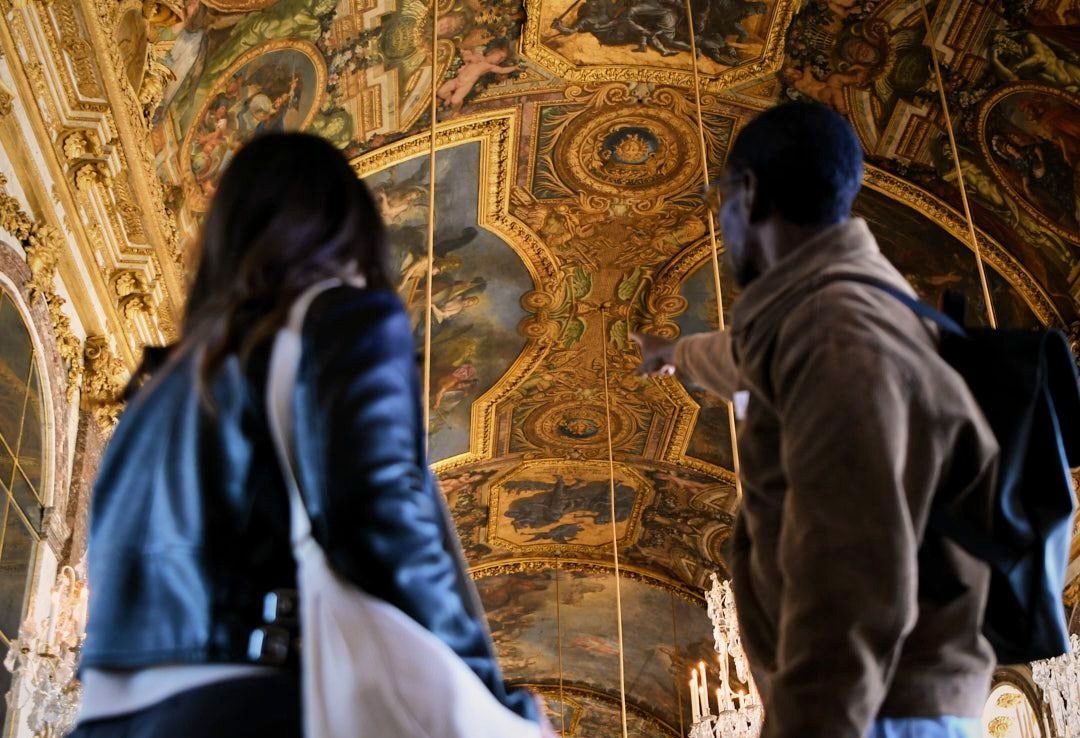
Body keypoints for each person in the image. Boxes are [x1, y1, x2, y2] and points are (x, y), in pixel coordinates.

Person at [73, 133, 550, 738]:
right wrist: (490, 696)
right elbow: (384, 517)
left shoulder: (153, 389)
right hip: (254, 707)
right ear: (348, 229)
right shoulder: (343, 318)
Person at [634, 102, 998, 738]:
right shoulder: (827, 308)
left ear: (748, 194)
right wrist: (675, 355)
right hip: (879, 700)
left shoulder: (836, 332)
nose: (722, 224)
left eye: (723, 199)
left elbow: (852, 572)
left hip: (876, 708)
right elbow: (747, 358)